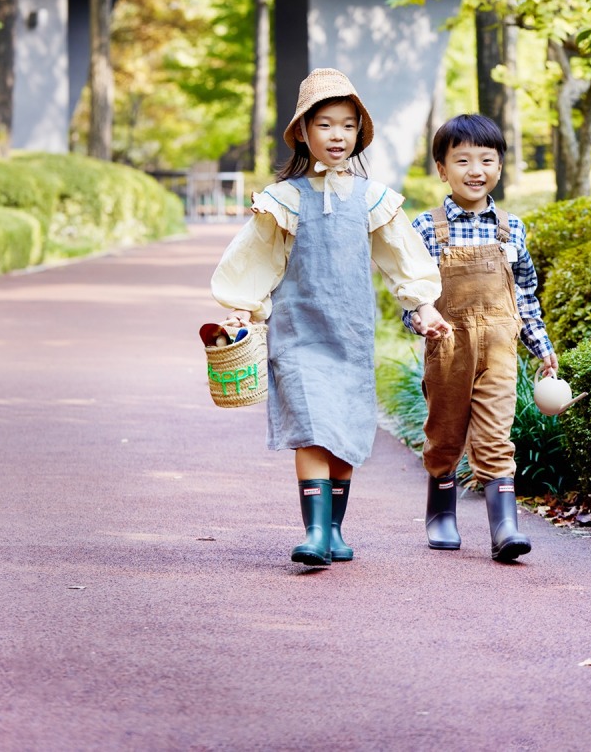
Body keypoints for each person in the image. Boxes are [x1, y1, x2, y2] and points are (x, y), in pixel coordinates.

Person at [210, 68, 451, 567]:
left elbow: (404, 260)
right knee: (313, 425)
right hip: (296, 334)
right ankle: (315, 533)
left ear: (358, 133)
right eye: (324, 124)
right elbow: (255, 259)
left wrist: (424, 306)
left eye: (346, 125)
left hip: (351, 334)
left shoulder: (374, 199)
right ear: (303, 131)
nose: (336, 135)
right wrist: (239, 305)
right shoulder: (282, 199)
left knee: (343, 428)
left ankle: (335, 531)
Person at [407, 113, 559, 562]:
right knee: (445, 435)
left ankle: (505, 527)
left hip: (499, 350)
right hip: (448, 350)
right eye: (463, 160)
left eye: (487, 160)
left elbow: (526, 295)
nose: (476, 170)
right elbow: (411, 293)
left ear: (500, 165)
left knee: (496, 435)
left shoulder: (511, 228)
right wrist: (420, 318)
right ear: (442, 169)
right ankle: (441, 515)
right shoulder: (426, 228)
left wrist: (542, 347)